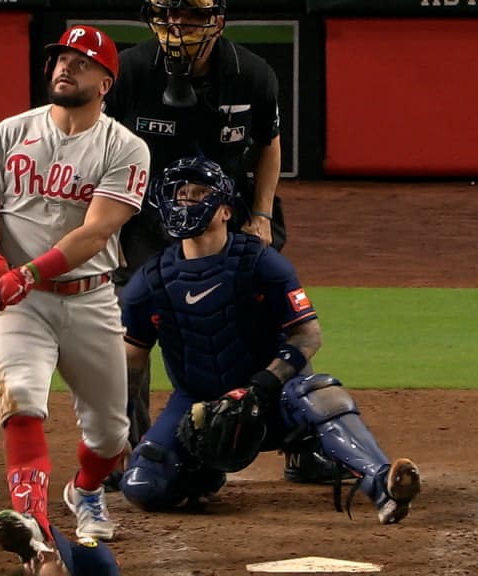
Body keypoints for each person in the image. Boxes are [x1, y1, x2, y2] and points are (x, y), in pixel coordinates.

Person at [116, 157, 422, 525]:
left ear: (226, 209)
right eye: (180, 196)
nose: (187, 203)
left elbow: (307, 335)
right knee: (143, 487)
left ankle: (382, 484)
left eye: (198, 194)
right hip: (196, 409)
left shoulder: (260, 263)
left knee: (322, 393)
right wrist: (114, 432)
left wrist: (262, 386)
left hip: (271, 400)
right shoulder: (149, 281)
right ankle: (201, 472)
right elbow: (132, 361)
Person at [103, 0, 329, 487]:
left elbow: (269, 144)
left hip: (230, 214)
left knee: (267, 321)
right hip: (147, 217)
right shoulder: (134, 70)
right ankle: (129, 448)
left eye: (189, 17)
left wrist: (264, 215)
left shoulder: (251, 73)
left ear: (216, 21)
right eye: (168, 15)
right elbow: (102, 153)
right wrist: (109, 229)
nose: (176, 26)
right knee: (130, 331)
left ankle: (300, 442)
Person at [0, 24, 150, 576]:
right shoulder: (12, 132)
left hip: (90, 300)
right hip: (20, 305)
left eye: (82, 62)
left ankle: (84, 490)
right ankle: (37, 538)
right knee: (21, 402)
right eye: (62, 58)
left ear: (106, 81)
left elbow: (94, 231)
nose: (66, 67)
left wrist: (31, 270)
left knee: (112, 436)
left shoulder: (125, 148)